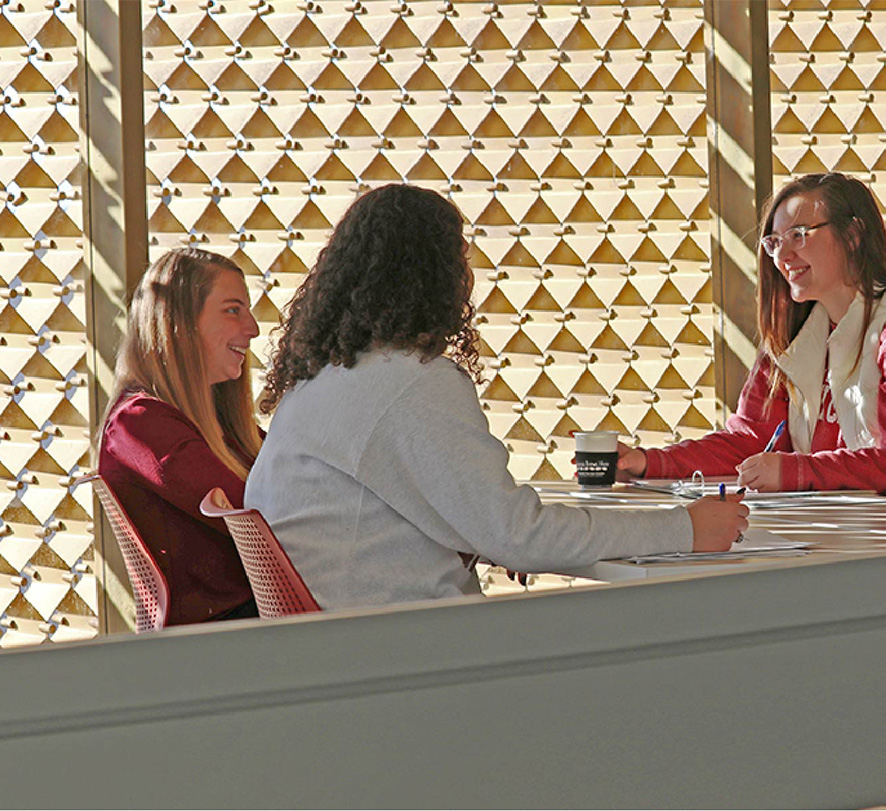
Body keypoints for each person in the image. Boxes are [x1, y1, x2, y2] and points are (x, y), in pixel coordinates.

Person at [245, 184, 747, 612]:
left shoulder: (318, 383)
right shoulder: (410, 382)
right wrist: (683, 529)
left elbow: (469, 524)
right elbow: (519, 536)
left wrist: (490, 538)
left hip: (345, 649)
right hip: (411, 658)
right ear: (434, 277)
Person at [617, 172, 886, 495]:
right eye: (774, 242)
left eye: (798, 235)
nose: (782, 256)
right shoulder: (793, 334)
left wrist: (797, 471)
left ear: (854, 234)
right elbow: (749, 441)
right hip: (835, 537)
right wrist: (648, 462)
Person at [96, 248, 263, 625]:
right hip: (211, 645)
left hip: (252, 628)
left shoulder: (218, 424)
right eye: (233, 310)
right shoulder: (139, 424)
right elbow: (263, 514)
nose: (252, 328)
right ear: (179, 324)